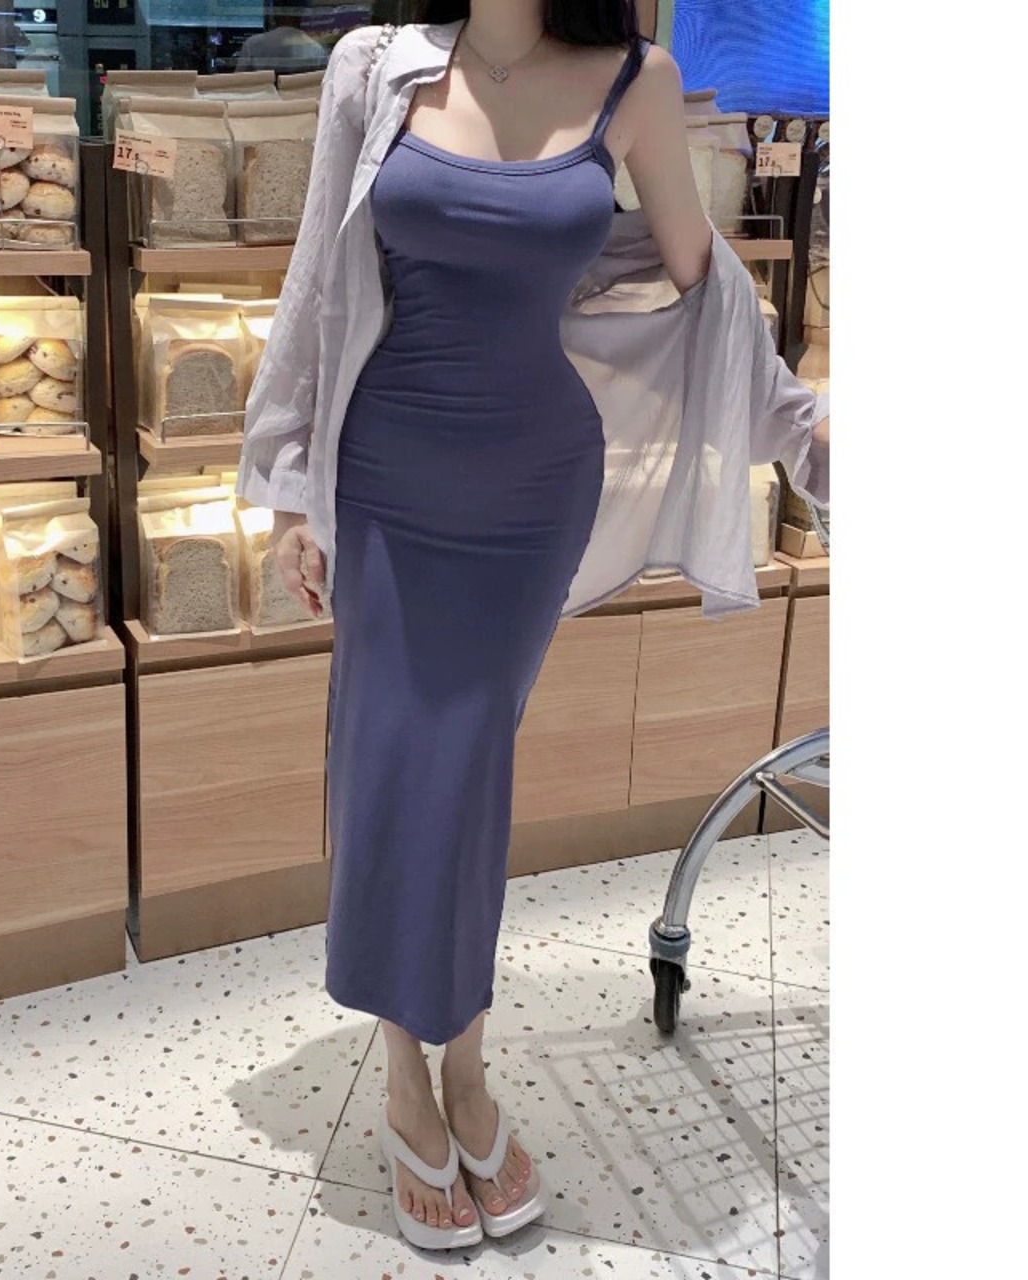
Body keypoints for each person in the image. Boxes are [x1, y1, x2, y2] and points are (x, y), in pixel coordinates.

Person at [236, 0, 830, 1250]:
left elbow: (704, 284)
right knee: (398, 766)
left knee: (466, 768)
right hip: (387, 475)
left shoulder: (635, 80)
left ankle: (463, 1070)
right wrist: (292, 491)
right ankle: (412, 1073)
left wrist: (798, 427)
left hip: (529, 490)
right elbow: (318, 287)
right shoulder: (375, 68)